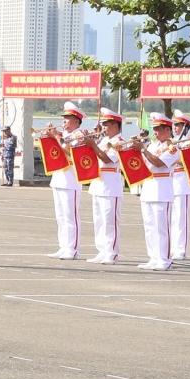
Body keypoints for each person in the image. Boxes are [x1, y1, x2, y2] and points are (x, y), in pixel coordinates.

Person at [41, 103, 88, 259]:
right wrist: (49, 135)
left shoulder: (78, 135)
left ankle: (72, 248)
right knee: (60, 217)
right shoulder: (63, 135)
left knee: (70, 216)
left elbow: (70, 151)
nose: (64, 122)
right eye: (64, 119)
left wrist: (56, 136)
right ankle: (63, 246)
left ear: (76, 121)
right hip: (59, 178)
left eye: (68, 119)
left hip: (71, 179)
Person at [136, 113, 180, 271]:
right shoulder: (152, 146)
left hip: (162, 189)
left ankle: (165, 259)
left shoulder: (173, 147)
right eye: (154, 129)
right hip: (148, 187)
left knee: (162, 227)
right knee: (149, 226)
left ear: (168, 130)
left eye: (158, 129)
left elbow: (159, 163)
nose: (155, 132)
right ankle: (153, 257)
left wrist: (143, 150)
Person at [87, 108, 126, 265]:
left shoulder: (120, 142)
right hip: (98, 183)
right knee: (99, 220)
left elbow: (108, 159)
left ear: (115, 125)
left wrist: (93, 146)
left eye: (107, 125)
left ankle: (112, 252)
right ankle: (102, 250)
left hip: (111, 185)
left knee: (110, 221)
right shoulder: (103, 141)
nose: (104, 128)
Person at [169, 111, 190, 262]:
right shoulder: (173, 141)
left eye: (178, 125)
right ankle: (172, 247)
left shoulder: (187, 143)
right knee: (172, 218)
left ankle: (180, 249)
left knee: (181, 218)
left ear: (185, 127)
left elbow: (188, 161)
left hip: (182, 182)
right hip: (171, 181)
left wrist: (171, 158)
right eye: (174, 125)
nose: (175, 128)